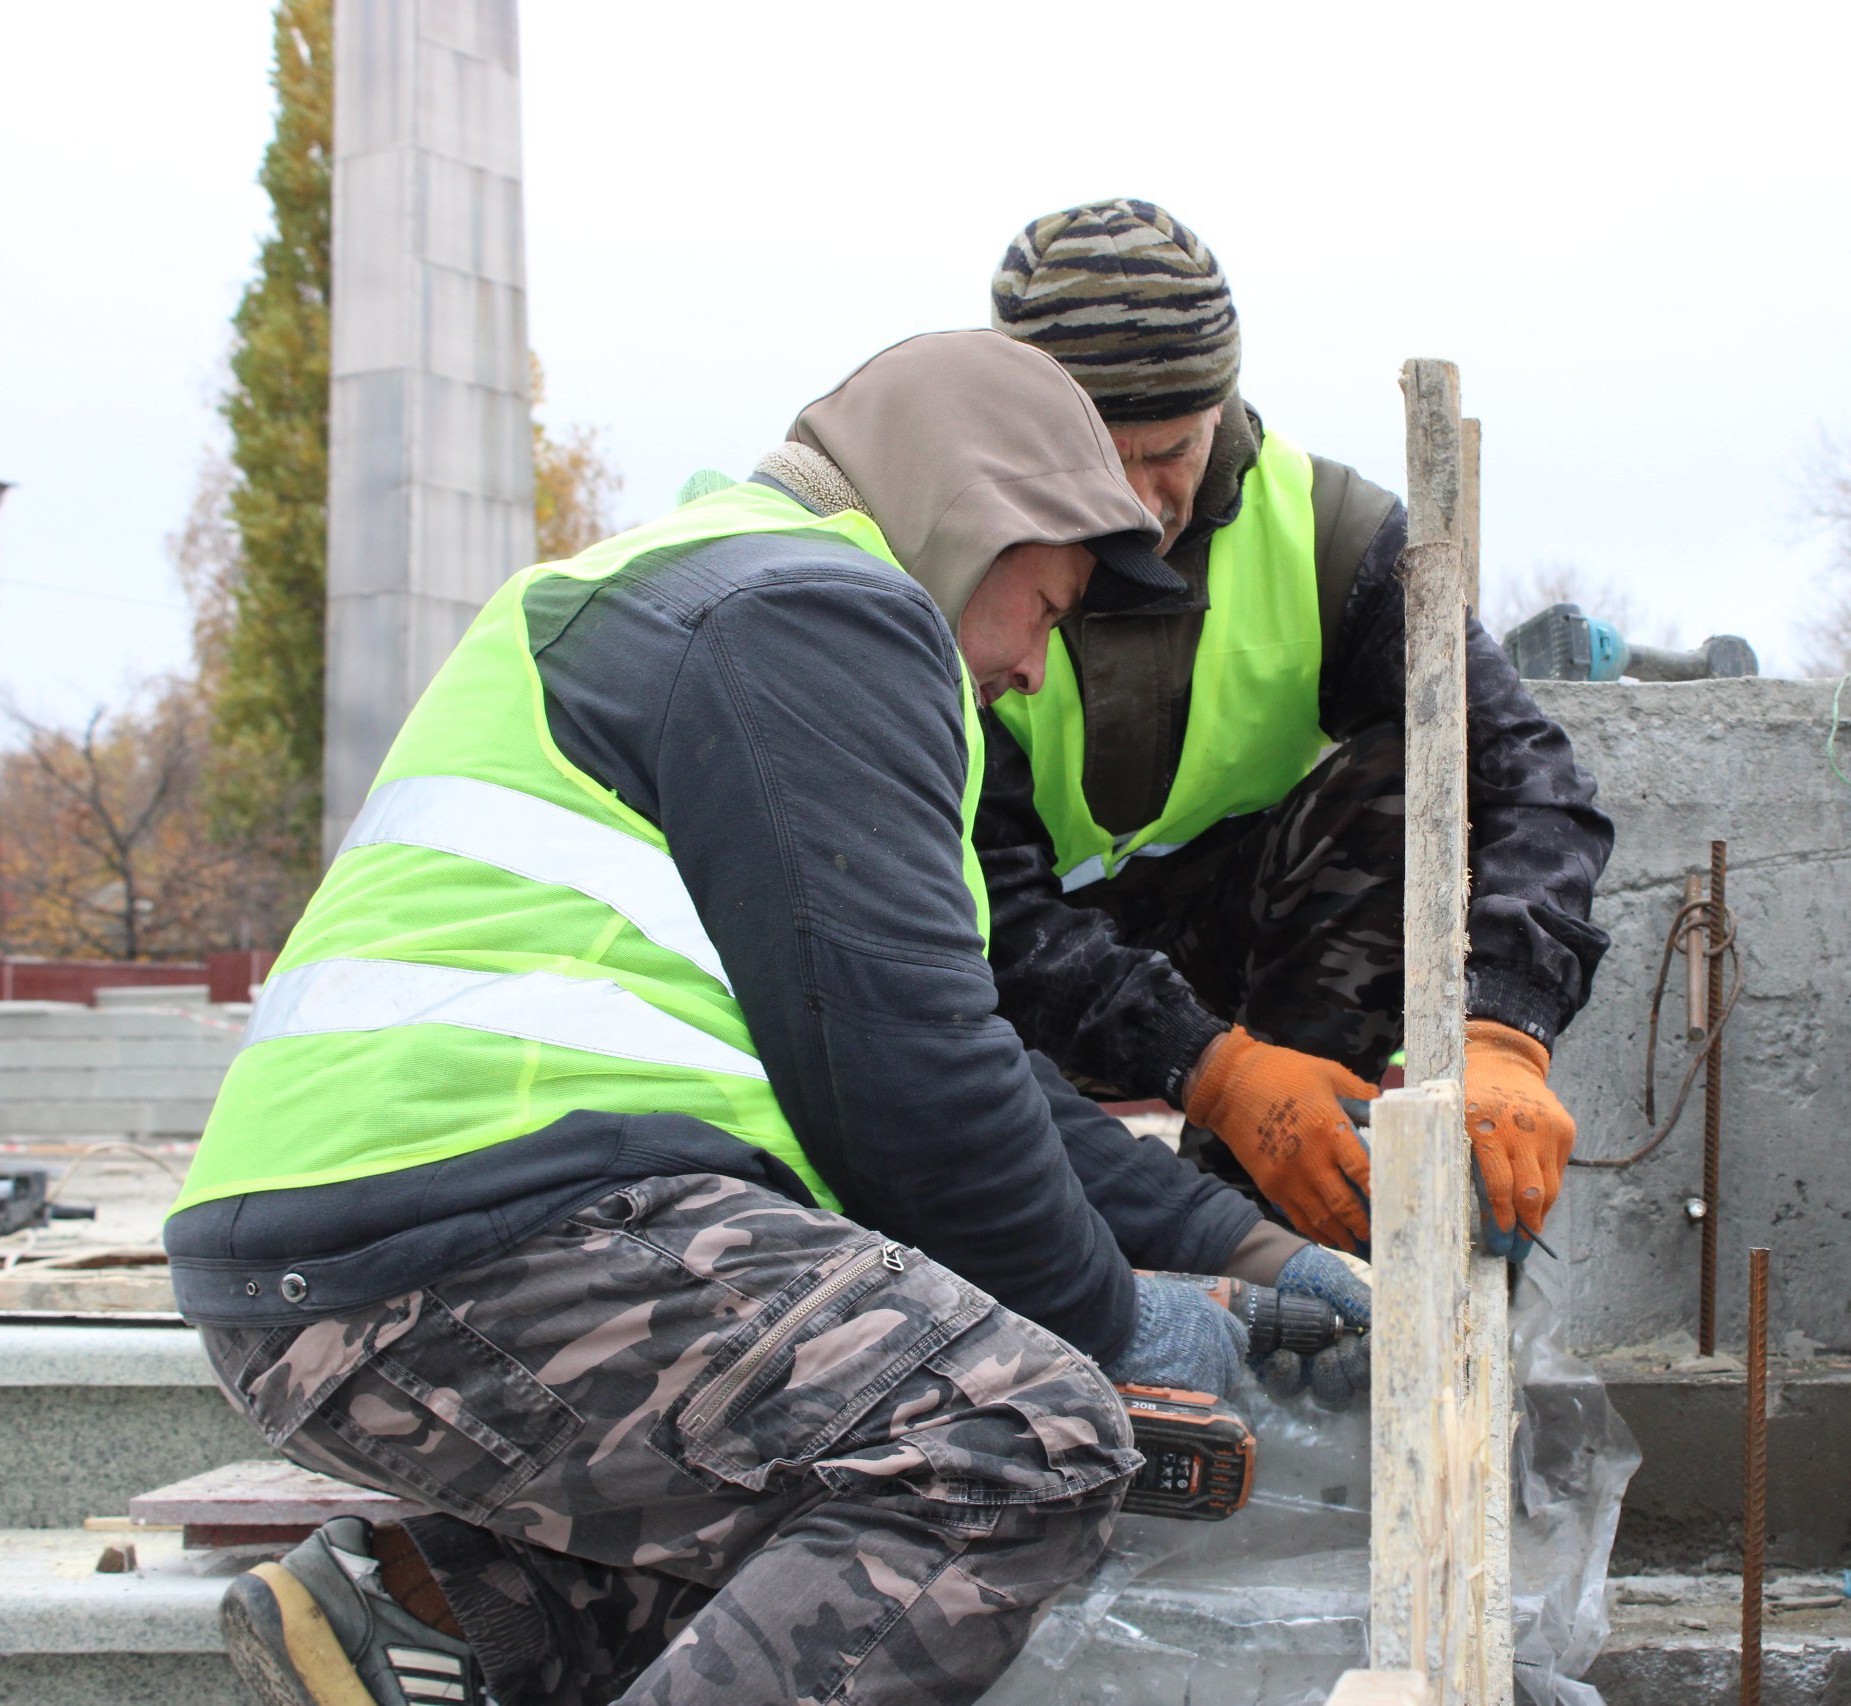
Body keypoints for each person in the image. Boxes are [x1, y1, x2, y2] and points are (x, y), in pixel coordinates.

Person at [165, 331, 1368, 1706]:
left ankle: (434, 1616)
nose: (1040, 669)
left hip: (364, 1248)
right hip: (474, 1240)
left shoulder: (706, 595)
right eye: (1050, 607)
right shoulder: (818, 613)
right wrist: (1117, 1321)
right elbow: (914, 1086)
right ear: (983, 519)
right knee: (1011, 1437)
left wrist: (1242, 1248)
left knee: (836, 1470)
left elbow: (968, 1057)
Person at [981, 200, 1616, 1254]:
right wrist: (1211, 1069)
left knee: (1425, 775)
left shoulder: (1331, 537)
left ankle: (1284, 1230)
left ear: (1220, 408)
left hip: (1234, 947)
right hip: (1009, 974)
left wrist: (1506, 1025)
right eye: (1098, 458)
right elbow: (977, 907)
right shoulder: (941, 559)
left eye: (1171, 451)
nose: (1139, 502)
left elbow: (1528, 780)